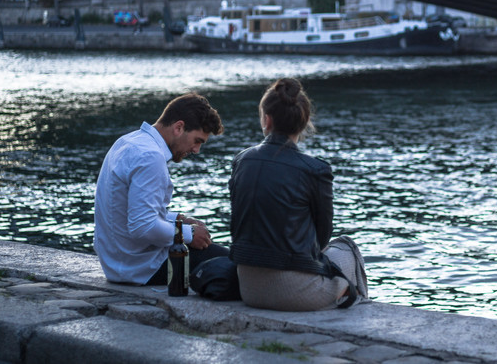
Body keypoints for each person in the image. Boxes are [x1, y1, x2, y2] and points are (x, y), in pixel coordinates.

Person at [228, 78, 368, 310]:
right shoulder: (316, 169)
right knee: (347, 247)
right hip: (294, 293)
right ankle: (361, 314)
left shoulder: (242, 160)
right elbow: (322, 239)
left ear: (267, 120)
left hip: (249, 288)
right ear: (303, 123)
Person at [94, 92, 227, 285]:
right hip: (144, 268)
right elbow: (142, 226)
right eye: (197, 140)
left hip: (118, 263)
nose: (196, 150)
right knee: (233, 266)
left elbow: (132, 212)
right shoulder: (151, 157)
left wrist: (178, 219)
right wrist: (188, 234)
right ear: (179, 127)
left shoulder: (127, 142)